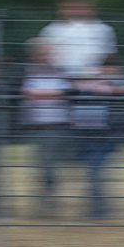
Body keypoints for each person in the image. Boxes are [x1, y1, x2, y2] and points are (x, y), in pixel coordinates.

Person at [71, 64, 124, 219]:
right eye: (101, 70)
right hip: (88, 138)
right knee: (94, 174)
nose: (103, 73)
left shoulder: (117, 87)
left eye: (108, 70)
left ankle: (99, 210)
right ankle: (98, 208)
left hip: (104, 139)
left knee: (95, 173)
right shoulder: (87, 88)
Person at [20, 38, 73, 213]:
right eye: (43, 53)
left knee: (49, 167)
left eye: (49, 53)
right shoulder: (29, 73)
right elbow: (27, 94)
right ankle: (46, 204)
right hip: (38, 126)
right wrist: (53, 95)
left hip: (57, 125)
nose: (47, 57)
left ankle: (48, 204)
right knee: (44, 166)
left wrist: (40, 95)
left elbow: (65, 93)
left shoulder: (61, 73)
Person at [38, 0, 117, 78]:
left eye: (81, 8)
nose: (76, 11)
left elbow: (109, 57)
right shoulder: (50, 30)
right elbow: (42, 57)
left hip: (94, 77)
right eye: (70, 8)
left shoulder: (104, 30)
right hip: (57, 77)